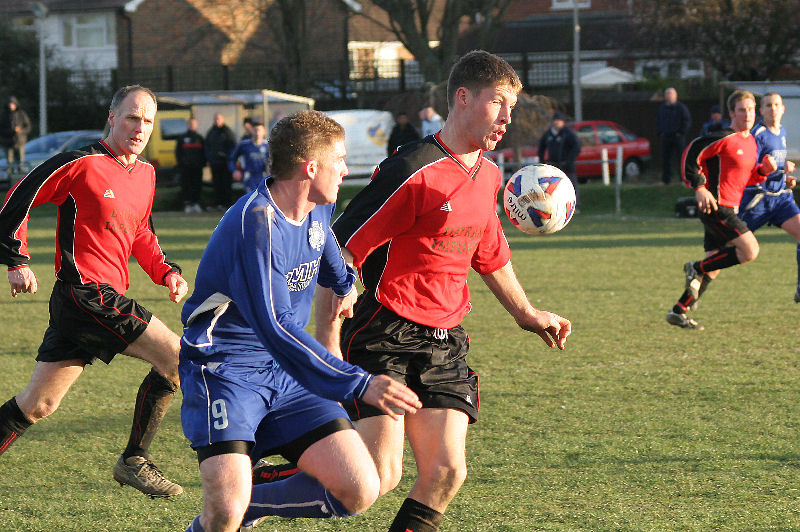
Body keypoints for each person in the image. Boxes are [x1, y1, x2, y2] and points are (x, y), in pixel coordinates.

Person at [322, 50, 571, 532]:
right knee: (376, 476)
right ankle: (250, 492)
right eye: (498, 102)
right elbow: (342, 242)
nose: (507, 117)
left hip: (444, 339)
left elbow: (490, 255)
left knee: (445, 472)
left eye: (513, 107)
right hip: (384, 330)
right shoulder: (413, 167)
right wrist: (341, 293)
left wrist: (527, 313)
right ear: (462, 97)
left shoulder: (490, 175)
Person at [179, 110, 421, 532]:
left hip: (286, 374)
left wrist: (347, 285)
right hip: (225, 371)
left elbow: (332, 264)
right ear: (311, 167)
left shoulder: (315, 210)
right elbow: (275, 326)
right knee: (221, 514)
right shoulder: (256, 224)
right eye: (340, 160)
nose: (346, 170)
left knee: (359, 487)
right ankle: (236, 507)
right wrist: (359, 382)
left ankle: (251, 505)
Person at [0, 85, 188, 498]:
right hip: (85, 294)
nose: (140, 128)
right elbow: (20, 194)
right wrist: (17, 259)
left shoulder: (146, 174)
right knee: (177, 358)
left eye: (148, 121)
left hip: (93, 302)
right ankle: (134, 461)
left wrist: (167, 272)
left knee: (38, 405)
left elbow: (141, 232)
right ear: (112, 117)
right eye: (132, 118)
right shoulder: (82, 162)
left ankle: (133, 460)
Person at [666, 90, 776, 330]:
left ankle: (678, 311)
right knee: (750, 250)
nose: (746, 114)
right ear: (731, 113)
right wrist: (698, 187)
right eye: (741, 110)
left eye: (750, 109)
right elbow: (691, 153)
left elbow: (745, 180)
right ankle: (694, 267)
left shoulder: (751, 143)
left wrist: (764, 172)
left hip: (730, 207)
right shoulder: (725, 137)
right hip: (716, 206)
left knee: (713, 267)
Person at [738, 92, 800, 302]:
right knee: (727, 249)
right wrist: (773, 170)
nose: (773, 108)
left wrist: (785, 176)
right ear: (761, 111)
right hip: (758, 200)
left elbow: (773, 167)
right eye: (768, 105)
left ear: (783, 109)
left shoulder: (781, 131)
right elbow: (749, 169)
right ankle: (699, 274)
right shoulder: (759, 134)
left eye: (776, 104)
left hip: (780, 199)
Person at [537, 111, 582, 207]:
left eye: (559, 120)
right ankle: (555, 206)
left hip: (567, 165)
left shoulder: (568, 133)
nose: (557, 122)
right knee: (553, 186)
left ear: (563, 122)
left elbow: (577, 147)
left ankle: (574, 206)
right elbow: (541, 147)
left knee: (571, 185)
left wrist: (570, 160)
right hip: (553, 165)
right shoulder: (548, 134)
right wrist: (542, 162)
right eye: (555, 120)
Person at [655, 87, 691, 185]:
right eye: (667, 94)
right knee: (665, 159)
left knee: (681, 158)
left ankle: (682, 180)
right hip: (665, 137)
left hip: (678, 137)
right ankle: (666, 180)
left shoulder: (681, 108)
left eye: (671, 94)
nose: (669, 96)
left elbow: (686, 121)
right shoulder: (662, 108)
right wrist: (660, 132)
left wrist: (681, 132)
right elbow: (658, 121)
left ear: (675, 96)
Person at [205, 113, 237, 210]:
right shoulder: (211, 132)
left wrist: (228, 158)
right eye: (215, 119)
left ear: (223, 120)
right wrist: (209, 158)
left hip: (225, 164)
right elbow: (207, 146)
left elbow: (232, 147)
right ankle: (218, 203)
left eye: (219, 119)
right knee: (217, 184)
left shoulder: (227, 132)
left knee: (226, 183)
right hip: (215, 163)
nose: (217, 121)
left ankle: (227, 204)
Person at [176, 118, 206, 213]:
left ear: (196, 125)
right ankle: (187, 204)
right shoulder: (182, 138)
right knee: (186, 185)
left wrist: (202, 163)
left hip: (197, 167)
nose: (192, 125)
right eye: (190, 124)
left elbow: (204, 152)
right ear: (188, 125)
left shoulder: (199, 138)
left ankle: (196, 203)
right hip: (186, 168)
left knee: (197, 185)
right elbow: (178, 152)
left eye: (193, 124)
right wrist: (181, 163)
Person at [229, 120, 268, 194]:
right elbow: (232, 158)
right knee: (251, 198)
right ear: (252, 131)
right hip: (249, 176)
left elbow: (275, 161)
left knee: (262, 199)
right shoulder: (244, 145)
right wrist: (234, 170)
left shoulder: (267, 146)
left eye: (259, 130)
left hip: (262, 176)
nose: (257, 133)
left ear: (264, 132)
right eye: (255, 130)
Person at [0, 96, 32, 175]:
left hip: (20, 142)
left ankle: (21, 178)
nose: (11, 106)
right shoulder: (3, 115)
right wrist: (11, 131)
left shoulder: (21, 114)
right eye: (10, 104)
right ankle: (10, 178)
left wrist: (20, 131)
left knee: (21, 162)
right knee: (9, 163)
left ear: (16, 104)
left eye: (13, 104)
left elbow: (28, 127)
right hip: (8, 143)